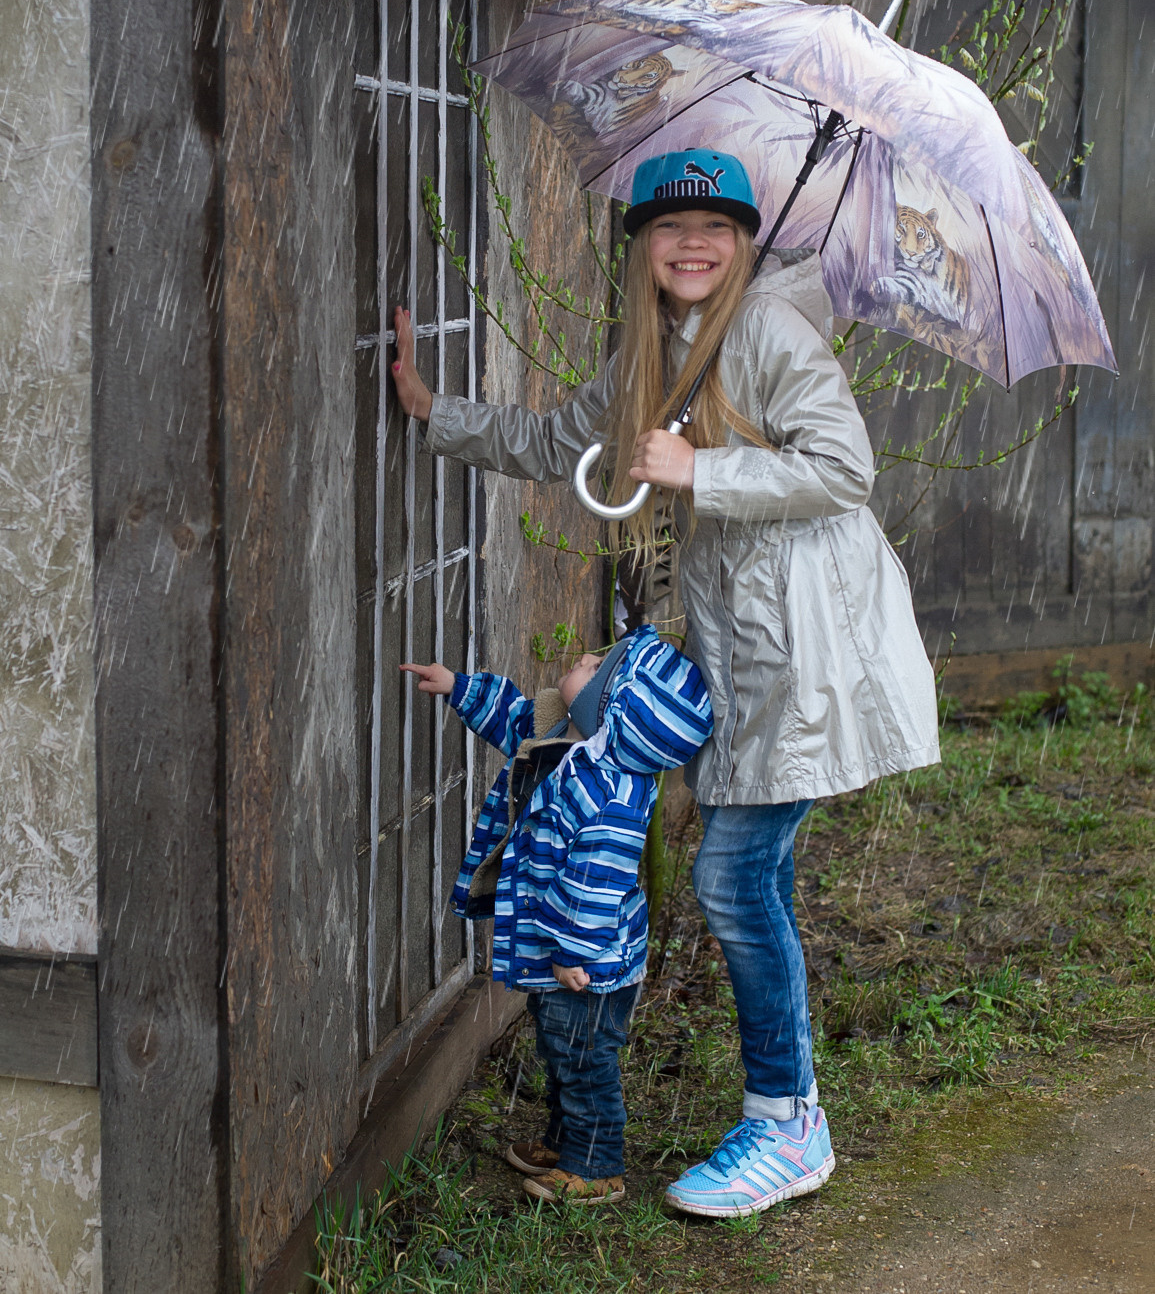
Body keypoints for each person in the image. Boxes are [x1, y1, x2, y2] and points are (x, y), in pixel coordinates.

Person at [391, 146, 939, 1218]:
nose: (693, 245)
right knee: (752, 873)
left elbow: (846, 469)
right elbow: (555, 441)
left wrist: (702, 469)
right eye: (671, 227)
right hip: (743, 648)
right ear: (643, 245)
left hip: (811, 644)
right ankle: (791, 1106)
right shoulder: (656, 350)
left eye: (717, 228)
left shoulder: (772, 333)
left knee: (734, 875)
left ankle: (787, 1123)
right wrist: (428, 410)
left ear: (743, 244)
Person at [401, 623, 711, 1207]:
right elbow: (516, 718)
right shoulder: (573, 743)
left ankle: (597, 1165)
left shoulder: (607, 793)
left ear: (607, 709)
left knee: (584, 1057)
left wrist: (574, 955)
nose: (587, 657)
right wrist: (457, 687)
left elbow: (596, 882)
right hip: (566, 954)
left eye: (599, 668)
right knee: (560, 1047)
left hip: (587, 962)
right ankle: (567, 1141)